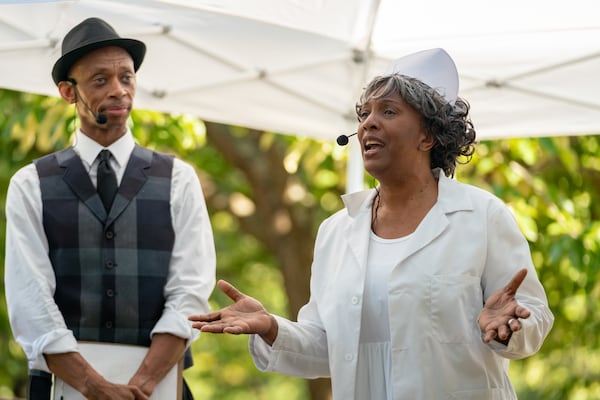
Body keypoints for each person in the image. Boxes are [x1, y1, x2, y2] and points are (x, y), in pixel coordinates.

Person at [189, 48, 554, 399]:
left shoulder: (482, 216)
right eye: (364, 113)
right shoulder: (336, 232)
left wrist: (510, 327)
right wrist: (270, 327)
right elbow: (329, 349)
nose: (368, 123)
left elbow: (533, 317)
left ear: (427, 136)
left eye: (389, 111)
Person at [4, 17, 216, 399]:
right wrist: (92, 386)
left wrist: (143, 384)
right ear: (69, 93)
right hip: (60, 387)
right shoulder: (30, 183)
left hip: (159, 387)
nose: (119, 91)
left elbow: (191, 292)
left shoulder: (179, 180)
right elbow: (30, 299)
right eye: (100, 80)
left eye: (126, 77)